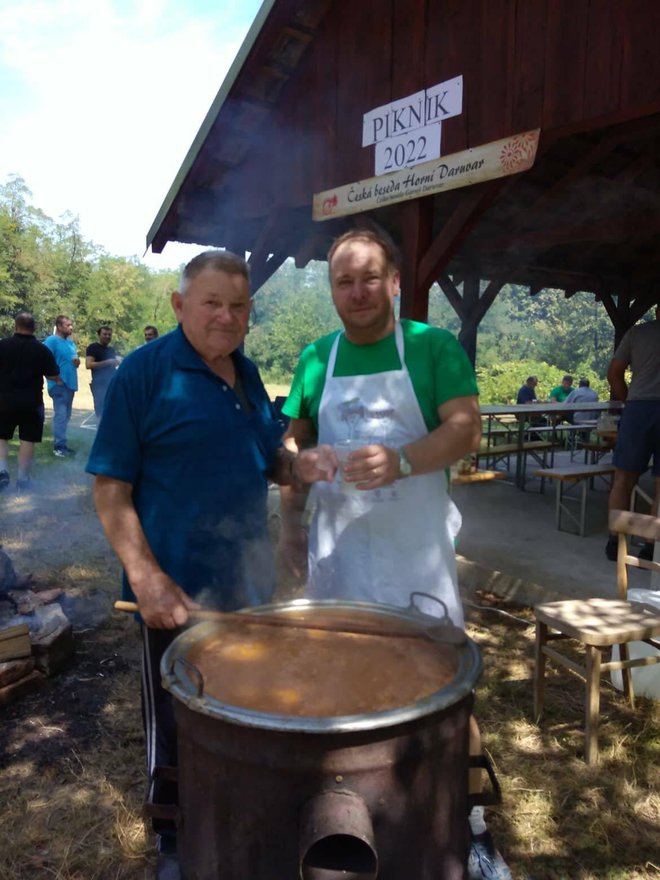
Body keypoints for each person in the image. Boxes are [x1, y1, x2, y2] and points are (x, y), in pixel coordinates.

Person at [278, 229, 511, 880]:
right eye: (343, 282)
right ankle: (350, 808)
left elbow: (466, 427)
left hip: (415, 555)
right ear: (331, 290)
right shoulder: (314, 358)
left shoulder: (432, 347)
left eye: (368, 277)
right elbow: (290, 446)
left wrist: (405, 458)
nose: (356, 292)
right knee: (339, 676)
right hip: (338, 555)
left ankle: (471, 827)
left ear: (395, 281)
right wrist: (299, 482)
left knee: (441, 685)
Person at [86, 250, 318, 880]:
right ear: (179, 305)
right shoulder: (144, 375)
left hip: (246, 587)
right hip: (173, 595)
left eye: (238, 306)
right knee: (177, 723)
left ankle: (243, 815)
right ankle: (175, 841)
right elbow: (110, 489)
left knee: (244, 708)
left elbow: (268, 459)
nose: (225, 316)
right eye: (212, 303)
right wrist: (147, 576)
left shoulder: (245, 373)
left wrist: (304, 465)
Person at [604, 305, 660, 562]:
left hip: (638, 408)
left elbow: (614, 374)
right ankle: (652, 545)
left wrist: (629, 400)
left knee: (623, 478)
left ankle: (616, 541)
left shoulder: (637, 334)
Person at [0, 312, 61, 491]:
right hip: (32, 403)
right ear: (33, 328)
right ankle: (23, 479)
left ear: (15, 326)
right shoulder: (42, 350)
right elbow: (53, 374)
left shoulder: (2, 345)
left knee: (1, 437)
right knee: (27, 440)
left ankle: (2, 472)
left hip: (3, 401)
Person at [44, 315, 79, 457]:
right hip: (58, 384)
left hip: (70, 385)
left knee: (66, 416)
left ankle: (62, 444)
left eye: (71, 325)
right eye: (68, 325)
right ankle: (58, 447)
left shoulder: (71, 344)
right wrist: (55, 378)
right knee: (61, 415)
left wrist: (77, 363)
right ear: (59, 326)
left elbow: (72, 362)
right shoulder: (52, 341)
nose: (71, 327)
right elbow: (44, 360)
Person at [85, 326, 121, 420]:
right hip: (99, 385)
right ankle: (99, 433)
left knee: (112, 411)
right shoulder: (93, 347)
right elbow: (88, 365)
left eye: (109, 334)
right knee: (100, 412)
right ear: (99, 335)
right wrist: (108, 362)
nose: (107, 336)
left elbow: (112, 367)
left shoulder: (111, 350)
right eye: (104, 334)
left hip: (111, 384)